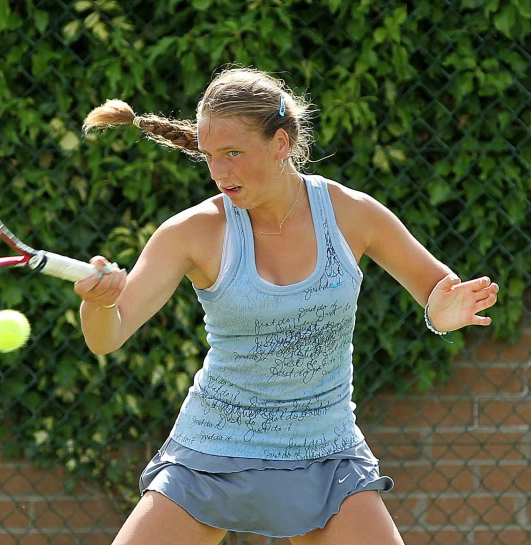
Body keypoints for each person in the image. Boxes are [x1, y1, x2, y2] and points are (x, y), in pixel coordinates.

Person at [72, 67, 500, 545]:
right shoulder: (191, 232)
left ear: (280, 144)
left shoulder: (350, 213)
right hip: (211, 451)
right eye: (210, 156)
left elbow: (436, 291)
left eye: (233, 154)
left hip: (326, 455)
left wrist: (442, 314)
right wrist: (99, 304)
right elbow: (107, 337)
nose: (218, 172)